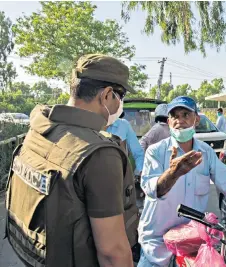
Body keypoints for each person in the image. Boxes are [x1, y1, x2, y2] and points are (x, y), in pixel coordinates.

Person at [5, 54, 138, 267]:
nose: (120, 105)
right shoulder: (99, 154)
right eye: (120, 97)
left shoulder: (40, 128)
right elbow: (113, 254)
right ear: (106, 95)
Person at [137, 96, 226, 266]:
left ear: (196, 119)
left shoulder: (205, 152)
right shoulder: (156, 151)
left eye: (186, 115)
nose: (180, 120)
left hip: (191, 240)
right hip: (157, 242)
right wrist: (173, 174)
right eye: (175, 116)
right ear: (169, 121)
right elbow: (152, 190)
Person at [106, 112, 144, 176]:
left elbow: (138, 153)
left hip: (121, 174)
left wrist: (141, 171)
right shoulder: (90, 125)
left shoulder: (123, 125)